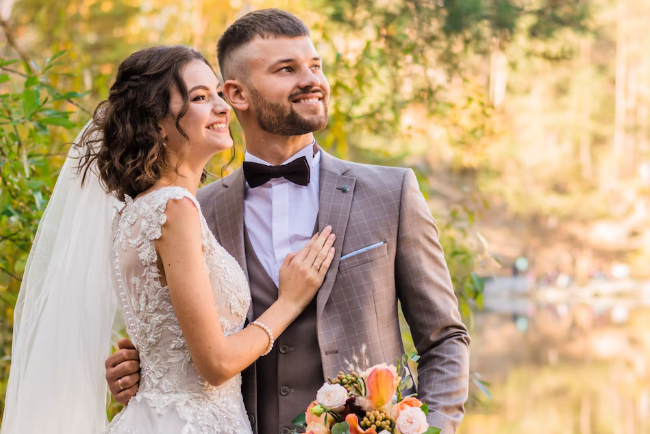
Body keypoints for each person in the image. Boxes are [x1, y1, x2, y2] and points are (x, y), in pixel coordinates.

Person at [106, 9, 471, 434]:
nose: (312, 79)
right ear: (237, 94)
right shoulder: (191, 210)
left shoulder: (391, 194)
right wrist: (141, 369)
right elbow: (189, 346)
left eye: (315, 66)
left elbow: (445, 339)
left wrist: (432, 429)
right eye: (287, 69)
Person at [1, 45, 335, 434]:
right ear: (158, 123)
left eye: (217, 94)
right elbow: (215, 365)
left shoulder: (133, 212)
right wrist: (289, 302)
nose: (222, 107)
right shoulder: (174, 210)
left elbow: (165, 336)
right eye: (199, 97)